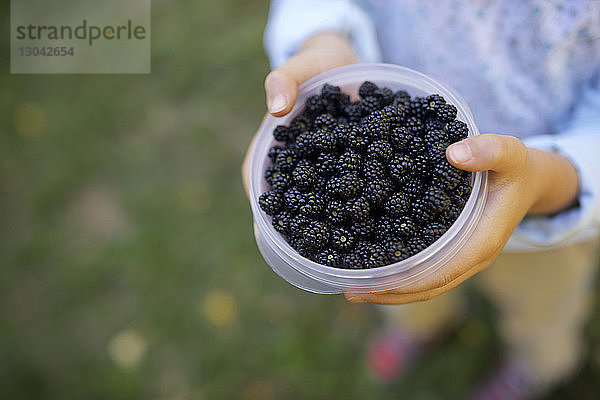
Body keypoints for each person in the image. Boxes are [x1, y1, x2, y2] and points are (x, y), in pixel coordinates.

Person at [242, 1, 600, 398]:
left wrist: (553, 178)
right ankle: (421, 326)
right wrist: (323, 35)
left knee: (541, 304)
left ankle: (537, 366)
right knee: (400, 286)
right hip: (396, 112)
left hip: (546, 201)